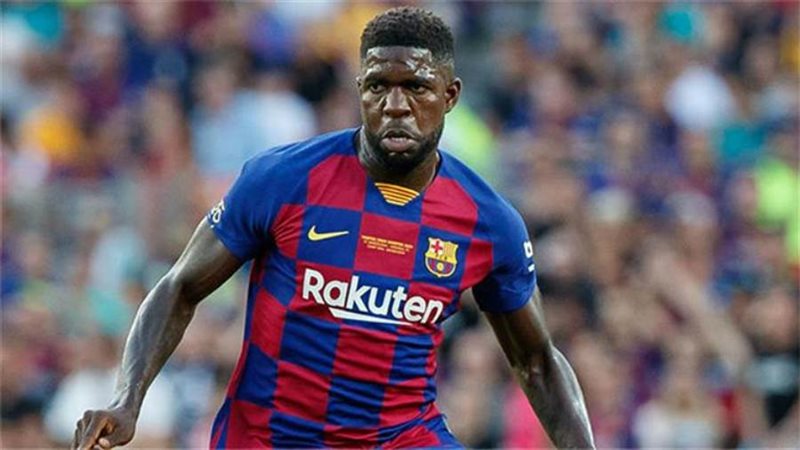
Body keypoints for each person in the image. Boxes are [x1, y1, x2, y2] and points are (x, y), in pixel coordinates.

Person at [73, 7, 595, 449]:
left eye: (416, 87)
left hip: (400, 438)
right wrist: (128, 400)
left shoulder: (487, 221)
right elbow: (179, 287)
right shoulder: (284, 179)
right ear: (359, 89)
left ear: (450, 95)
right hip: (273, 438)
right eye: (379, 86)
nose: (396, 106)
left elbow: (536, 361)